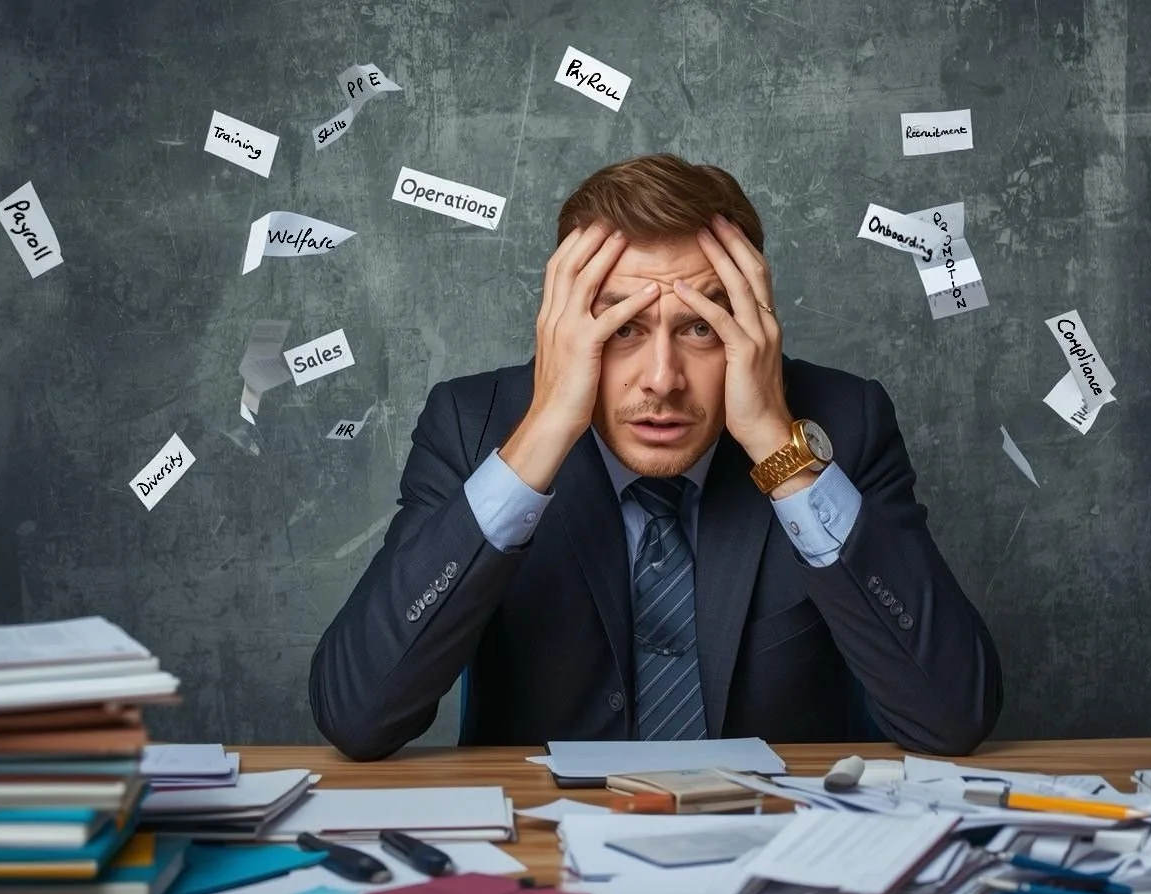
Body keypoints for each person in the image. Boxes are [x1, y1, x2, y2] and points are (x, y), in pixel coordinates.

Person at [309, 153, 1002, 761]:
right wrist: (543, 430)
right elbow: (358, 717)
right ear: (564, 326)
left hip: (777, 844)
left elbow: (952, 716)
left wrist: (776, 444)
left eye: (702, 325)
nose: (661, 378)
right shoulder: (472, 425)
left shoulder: (842, 424)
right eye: (622, 329)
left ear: (752, 325)